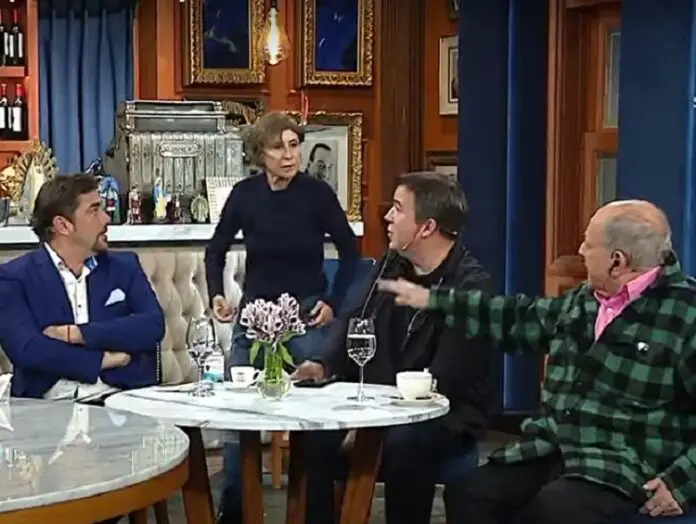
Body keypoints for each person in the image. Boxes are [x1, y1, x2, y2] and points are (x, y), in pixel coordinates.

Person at [378, 199, 696, 524]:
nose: (581, 251)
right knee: (469, 494)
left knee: (550, 511)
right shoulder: (584, 300)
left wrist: (681, 483)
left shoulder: (686, 315)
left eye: (588, 244)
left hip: (623, 464)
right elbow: (516, 317)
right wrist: (432, 299)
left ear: (617, 261)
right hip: (554, 446)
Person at [292, 171, 494, 524]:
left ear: (427, 227)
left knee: (405, 443)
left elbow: (444, 380)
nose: (387, 216)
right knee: (314, 436)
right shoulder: (391, 264)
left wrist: (373, 426)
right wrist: (322, 364)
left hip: (443, 413)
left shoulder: (470, 287)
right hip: (379, 401)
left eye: (398, 208)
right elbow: (354, 321)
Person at [205, 111, 359, 523]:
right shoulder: (244, 195)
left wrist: (332, 301)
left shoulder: (317, 194)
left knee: (318, 418)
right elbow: (215, 250)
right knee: (238, 418)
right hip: (255, 314)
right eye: (279, 147)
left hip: (305, 314)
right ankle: (234, 512)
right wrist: (217, 294)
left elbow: (350, 251)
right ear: (260, 154)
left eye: (294, 145)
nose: (289, 155)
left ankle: (317, 514)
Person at [0, 173, 163, 401]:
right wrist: (102, 360)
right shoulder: (14, 277)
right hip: (48, 407)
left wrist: (77, 334)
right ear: (63, 225)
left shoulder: (125, 267)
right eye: (93, 210)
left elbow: (152, 326)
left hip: (120, 400)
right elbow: (28, 349)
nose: (106, 218)